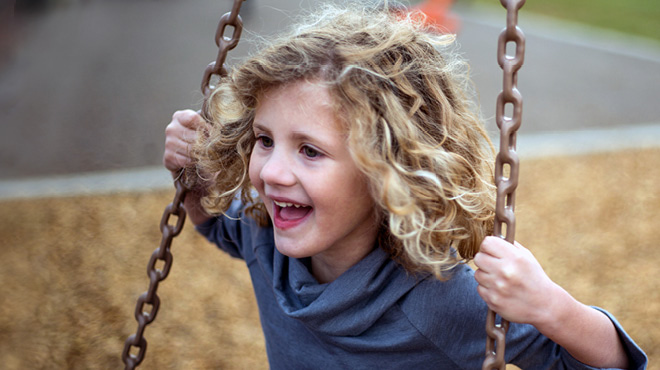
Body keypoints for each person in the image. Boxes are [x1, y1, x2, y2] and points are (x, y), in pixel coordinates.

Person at [163, 2, 647, 368]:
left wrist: (550, 306)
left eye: (310, 150)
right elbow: (212, 224)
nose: (270, 172)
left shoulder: (441, 299)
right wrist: (192, 174)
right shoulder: (265, 238)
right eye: (265, 140)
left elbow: (608, 363)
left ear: (386, 170)